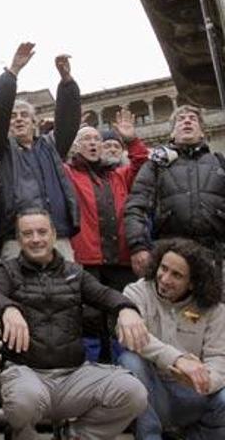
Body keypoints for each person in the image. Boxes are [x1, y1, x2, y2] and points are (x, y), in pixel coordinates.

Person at [0, 208, 149, 439]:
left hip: (74, 375)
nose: (36, 239)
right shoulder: (8, 271)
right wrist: (8, 308)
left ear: (53, 234)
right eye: (28, 234)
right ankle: (24, 434)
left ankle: (75, 434)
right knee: (23, 403)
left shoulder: (75, 273)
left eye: (42, 232)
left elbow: (105, 295)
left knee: (134, 393)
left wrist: (126, 309)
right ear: (19, 239)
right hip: (27, 372)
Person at [119, 238, 225, 440]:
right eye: (163, 268)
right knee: (130, 361)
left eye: (177, 275)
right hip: (153, 394)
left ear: (193, 283)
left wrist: (204, 379)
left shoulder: (215, 309)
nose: (165, 278)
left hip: (194, 394)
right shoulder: (137, 292)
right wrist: (178, 360)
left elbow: (219, 357)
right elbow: (133, 340)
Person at [0, 43, 81, 259]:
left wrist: (67, 83)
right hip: (15, 238)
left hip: (57, 235)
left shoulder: (51, 147)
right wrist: (13, 71)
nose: (18, 119)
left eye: (24, 115)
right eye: (13, 116)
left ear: (34, 121)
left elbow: (69, 121)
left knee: (65, 291)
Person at [64, 110, 148, 362]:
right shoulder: (69, 174)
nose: (92, 143)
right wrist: (67, 129)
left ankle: (125, 367)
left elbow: (142, 165)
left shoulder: (118, 175)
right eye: (86, 140)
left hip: (121, 259)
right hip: (88, 260)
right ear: (76, 148)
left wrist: (131, 140)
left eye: (96, 140)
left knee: (122, 315)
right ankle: (94, 368)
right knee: (89, 317)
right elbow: (50, 158)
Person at [125, 105, 225, 274]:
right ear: (172, 133)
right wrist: (138, 246)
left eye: (193, 119)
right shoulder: (155, 166)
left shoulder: (219, 162)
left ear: (202, 132)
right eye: (181, 119)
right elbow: (137, 206)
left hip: (217, 254)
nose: (187, 121)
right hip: (171, 255)